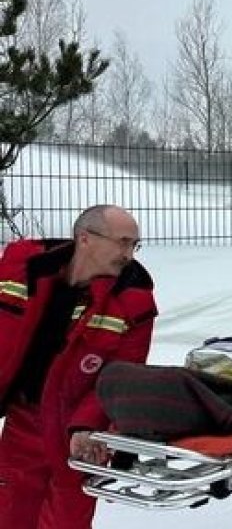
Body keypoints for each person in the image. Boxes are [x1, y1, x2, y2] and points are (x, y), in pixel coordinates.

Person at [0, 204, 157, 529]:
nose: (129, 254)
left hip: (75, 433)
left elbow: (119, 380)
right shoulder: (22, 268)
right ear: (85, 239)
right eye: (123, 242)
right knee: (10, 513)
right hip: (22, 423)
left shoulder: (134, 301)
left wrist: (87, 427)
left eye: (134, 244)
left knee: (65, 521)